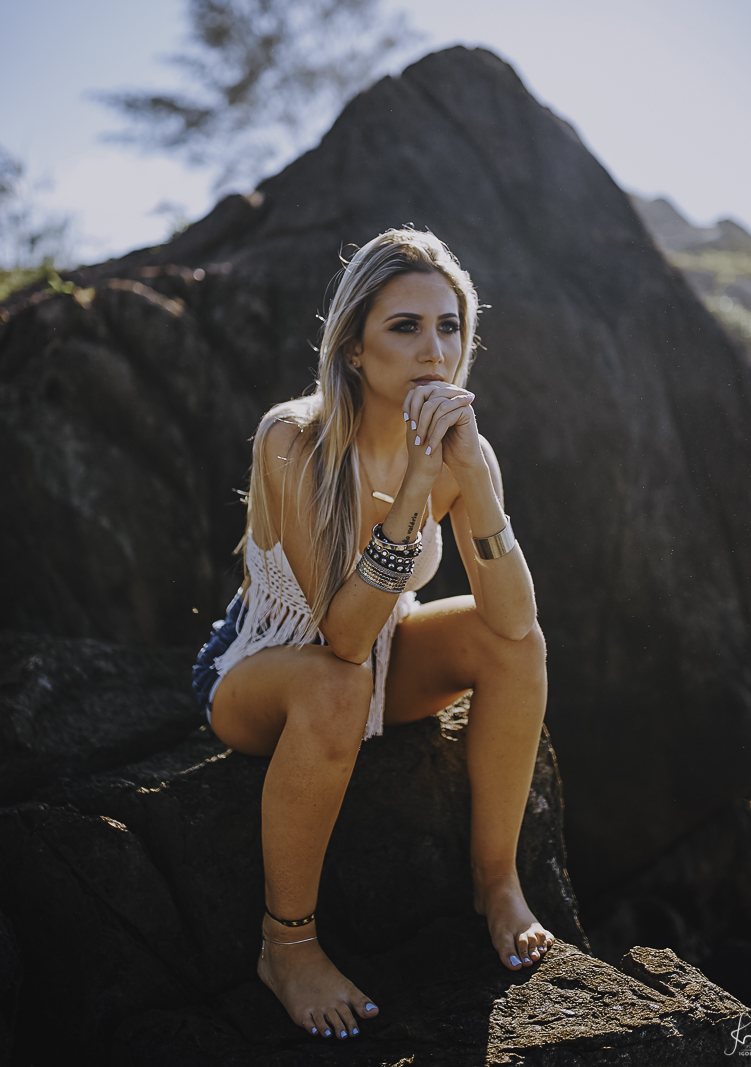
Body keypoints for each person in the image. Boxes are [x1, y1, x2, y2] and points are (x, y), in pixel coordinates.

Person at [191, 227, 552, 1041]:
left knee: (516, 650)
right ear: (354, 347)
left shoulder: (466, 447)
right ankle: (286, 945)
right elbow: (343, 641)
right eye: (405, 327)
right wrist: (418, 482)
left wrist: (474, 485)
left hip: (386, 648)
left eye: (449, 326)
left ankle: (496, 882)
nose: (435, 351)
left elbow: (516, 621)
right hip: (263, 666)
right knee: (336, 683)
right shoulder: (295, 439)